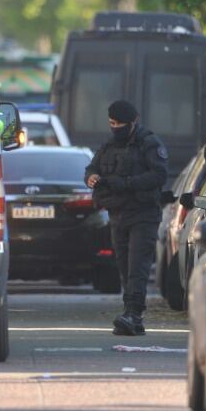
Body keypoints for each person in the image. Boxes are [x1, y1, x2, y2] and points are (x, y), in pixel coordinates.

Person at [85, 100, 169, 336]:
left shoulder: (149, 143)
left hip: (143, 214)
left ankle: (134, 314)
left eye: (120, 124)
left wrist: (127, 184)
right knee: (124, 266)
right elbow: (92, 168)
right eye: (112, 123)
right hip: (117, 214)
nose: (115, 127)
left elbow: (159, 174)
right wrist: (91, 177)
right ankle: (131, 314)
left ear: (134, 122)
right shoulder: (109, 145)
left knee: (137, 267)